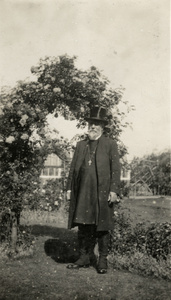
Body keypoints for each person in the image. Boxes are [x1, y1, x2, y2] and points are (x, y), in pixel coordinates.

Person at [66, 106, 121, 274]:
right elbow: (73, 168)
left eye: (97, 123)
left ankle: (102, 260)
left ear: (102, 127)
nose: (93, 126)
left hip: (102, 192)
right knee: (83, 225)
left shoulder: (110, 144)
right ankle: (84, 257)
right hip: (83, 191)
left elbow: (116, 170)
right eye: (91, 123)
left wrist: (114, 190)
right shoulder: (81, 145)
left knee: (102, 226)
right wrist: (69, 188)